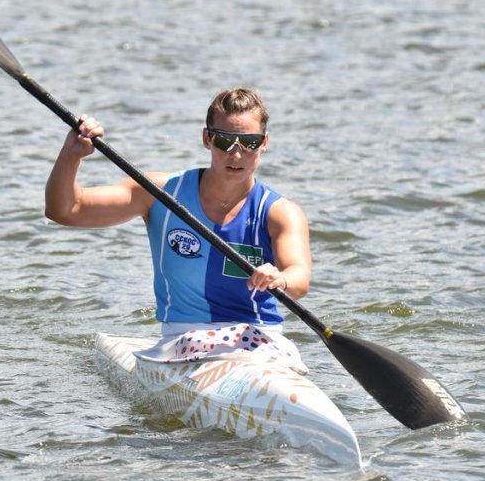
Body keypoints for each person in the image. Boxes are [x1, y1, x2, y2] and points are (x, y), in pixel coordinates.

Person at [44, 88, 312, 365]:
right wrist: (71, 155)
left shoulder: (281, 212)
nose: (236, 153)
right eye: (225, 140)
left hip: (260, 341)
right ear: (207, 139)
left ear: (264, 142)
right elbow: (65, 210)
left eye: (249, 142)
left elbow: (299, 278)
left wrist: (281, 278)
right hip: (184, 340)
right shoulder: (160, 193)